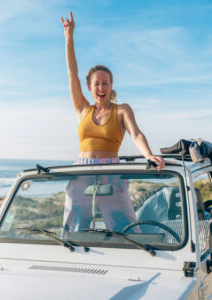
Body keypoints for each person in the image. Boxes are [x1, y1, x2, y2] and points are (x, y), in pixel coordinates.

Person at [61, 11, 165, 233]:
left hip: (111, 171)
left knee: (124, 225)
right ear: (89, 87)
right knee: (74, 227)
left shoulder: (121, 110)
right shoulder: (82, 110)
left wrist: (148, 154)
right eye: (97, 84)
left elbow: (136, 134)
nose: (101, 88)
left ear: (111, 86)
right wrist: (69, 37)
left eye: (105, 83)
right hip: (82, 172)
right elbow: (72, 74)